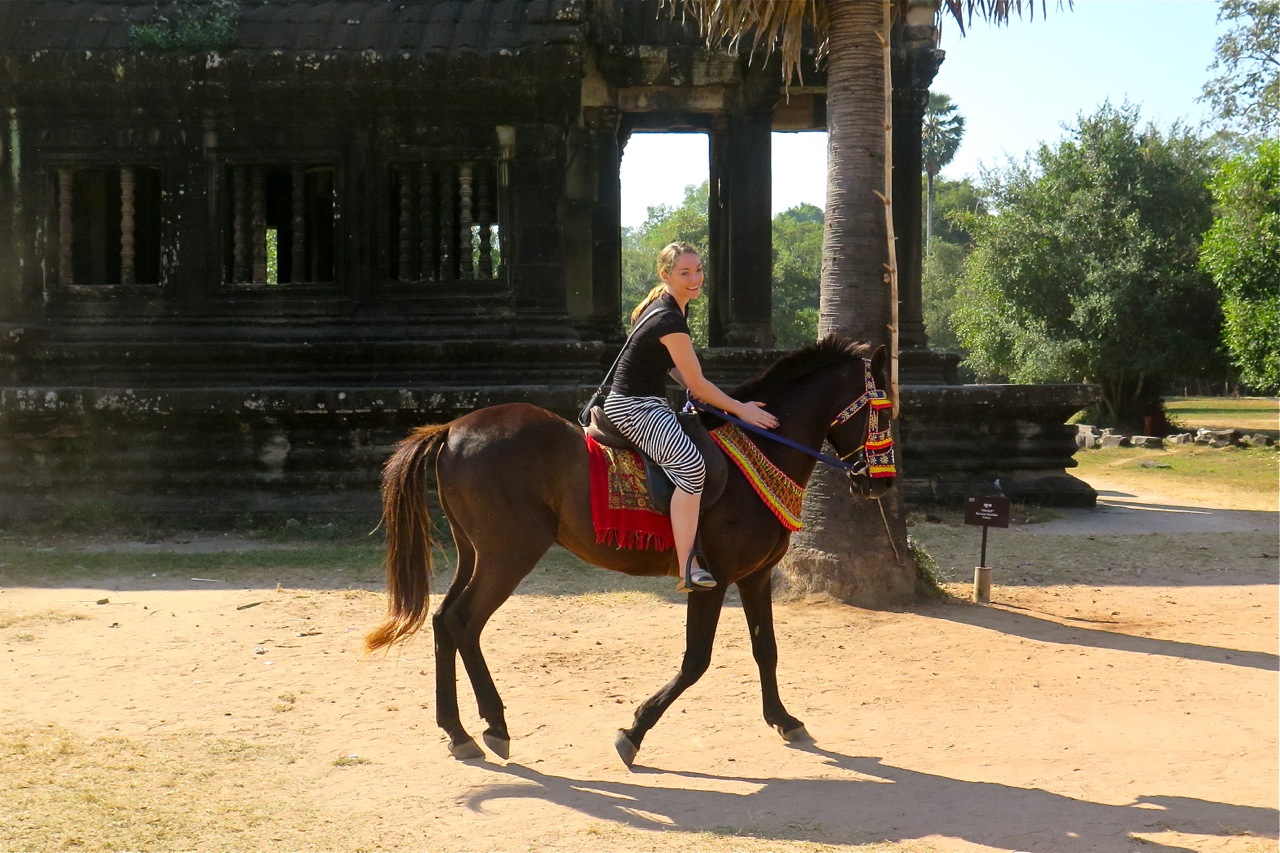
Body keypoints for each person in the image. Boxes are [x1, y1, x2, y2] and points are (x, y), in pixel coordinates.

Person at [603, 241, 778, 592]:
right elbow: (697, 382)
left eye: (698, 270)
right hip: (633, 407)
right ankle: (687, 566)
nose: (695, 278)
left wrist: (705, 394)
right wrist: (739, 408)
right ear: (665, 275)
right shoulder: (669, 318)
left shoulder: (667, 309)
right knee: (691, 467)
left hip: (647, 402)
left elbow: (675, 371)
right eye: (685, 273)